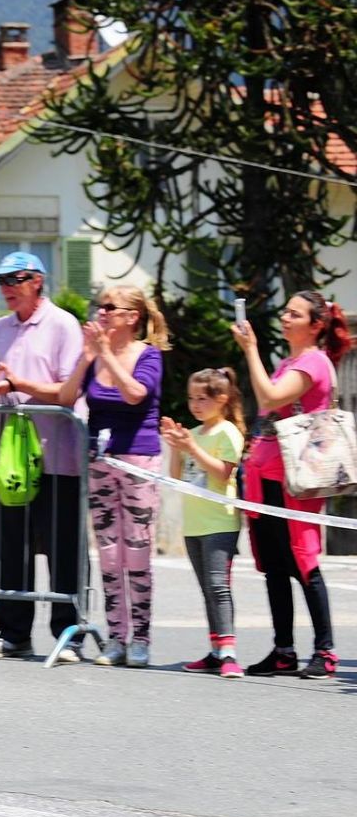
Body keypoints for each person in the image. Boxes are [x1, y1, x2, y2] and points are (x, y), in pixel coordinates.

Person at [232, 290, 349, 681]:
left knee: (303, 560)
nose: (285, 318)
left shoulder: (314, 362)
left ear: (315, 325)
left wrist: (250, 349)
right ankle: (283, 650)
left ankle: (325, 651)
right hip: (267, 476)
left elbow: (269, 397)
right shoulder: (289, 362)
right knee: (274, 565)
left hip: (296, 479)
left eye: (294, 314)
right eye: (285, 312)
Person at [0, 251, 85, 660]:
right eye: (1, 281)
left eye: (14, 279)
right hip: (11, 461)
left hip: (56, 457)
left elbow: (69, 391)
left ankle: (69, 633)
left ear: (37, 280)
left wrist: (17, 384)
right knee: (10, 548)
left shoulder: (63, 324)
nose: (6, 288)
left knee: (62, 549)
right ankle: (14, 633)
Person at [56, 285, 167, 667]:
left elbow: (136, 393)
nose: (100, 312)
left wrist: (105, 353)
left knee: (136, 551)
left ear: (131, 317)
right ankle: (116, 637)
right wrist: (87, 359)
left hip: (138, 460)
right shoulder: (94, 354)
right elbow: (66, 397)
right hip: (100, 460)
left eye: (109, 307)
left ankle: (141, 638)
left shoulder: (148, 355)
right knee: (108, 553)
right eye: (99, 306)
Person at [161, 368, 246, 679]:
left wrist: (191, 448)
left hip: (220, 522)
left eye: (202, 398)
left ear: (221, 399)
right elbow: (176, 477)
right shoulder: (194, 433)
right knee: (206, 589)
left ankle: (229, 652)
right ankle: (215, 650)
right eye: (191, 398)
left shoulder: (228, 432)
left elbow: (223, 474)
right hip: (194, 523)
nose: (195, 405)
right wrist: (176, 447)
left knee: (219, 586)